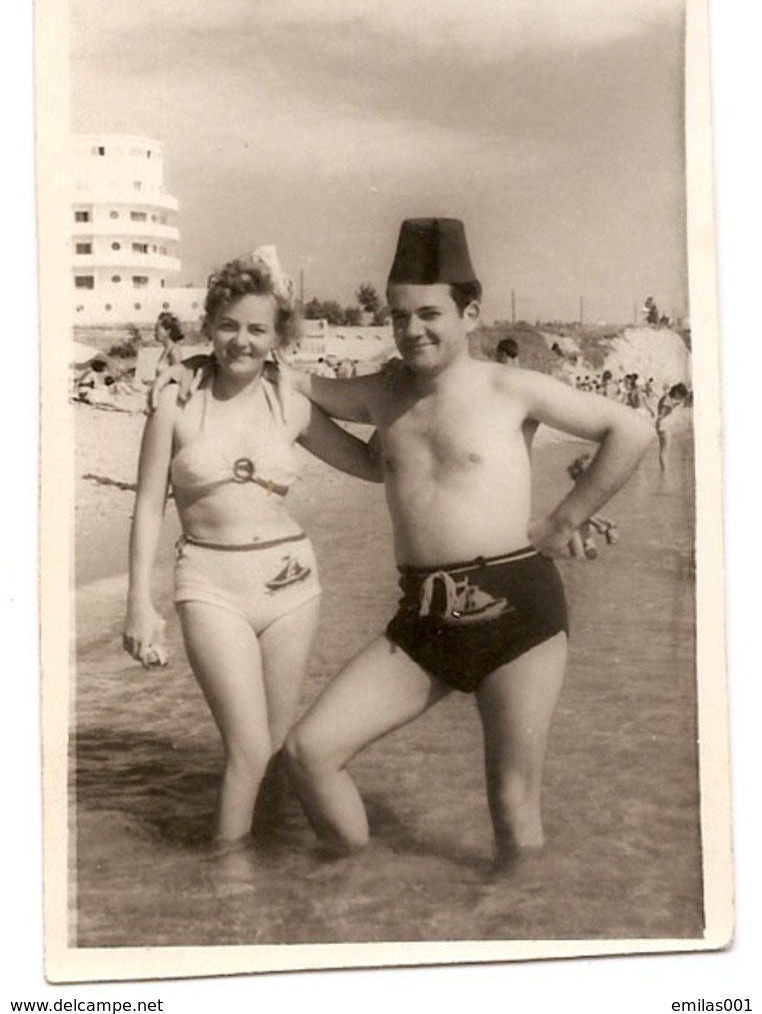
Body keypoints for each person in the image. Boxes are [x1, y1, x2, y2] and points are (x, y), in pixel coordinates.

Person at [280, 218, 654, 864]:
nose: (411, 331)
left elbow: (632, 429)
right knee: (310, 751)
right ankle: (344, 891)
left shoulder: (510, 389)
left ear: (471, 312)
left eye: (429, 314)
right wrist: (211, 366)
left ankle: (515, 935)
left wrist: (565, 520)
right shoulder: (381, 392)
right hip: (423, 616)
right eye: (399, 317)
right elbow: (293, 391)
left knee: (512, 806)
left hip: (518, 612)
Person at [124, 251, 382, 852]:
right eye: (229, 325)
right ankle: (231, 891)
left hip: (291, 585)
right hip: (210, 583)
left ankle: (274, 860)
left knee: (272, 744)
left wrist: (402, 398)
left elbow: (371, 464)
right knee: (245, 750)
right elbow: (145, 507)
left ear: (278, 337)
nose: (242, 341)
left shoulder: (290, 404)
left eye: (257, 329)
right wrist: (139, 601)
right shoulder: (175, 402)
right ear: (210, 324)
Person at [655, 382, 689, 472]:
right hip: (663, 425)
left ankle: (664, 470)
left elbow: (663, 410)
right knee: (664, 450)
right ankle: (664, 472)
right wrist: (671, 408)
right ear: (676, 392)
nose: (680, 398)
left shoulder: (666, 398)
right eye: (680, 395)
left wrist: (673, 406)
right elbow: (662, 413)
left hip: (662, 425)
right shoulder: (667, 399)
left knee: (664, 449)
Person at [153, 311, 185, 379]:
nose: (154, 333)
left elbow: (179, 378)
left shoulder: (174, 350)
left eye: (157, 330)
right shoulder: (166, 349)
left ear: (168, 331)